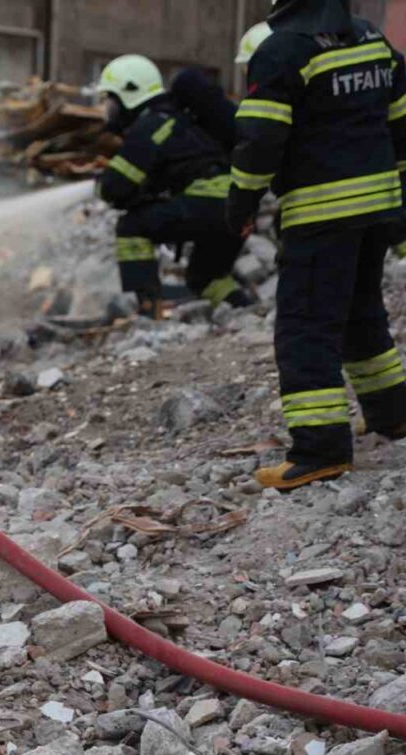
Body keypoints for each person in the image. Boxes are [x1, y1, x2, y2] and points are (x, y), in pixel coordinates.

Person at [227, 0, 406, 489]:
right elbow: (400, 122)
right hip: (377, 208)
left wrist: (241, 203)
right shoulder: (371, 40)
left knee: (306, 328)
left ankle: (320, 448)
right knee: (359, 313)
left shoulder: (283, 52)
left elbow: (260, 139)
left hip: (322, 214)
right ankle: (392, 412)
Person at [97, 54, 258, 318]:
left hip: (211, 203)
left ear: (129, 93)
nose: (107, 109)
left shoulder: (150, 125)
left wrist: (98, 185)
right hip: (240, 208)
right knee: (205, 277)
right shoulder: (178, 119)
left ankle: (148, 311)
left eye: (110, 99)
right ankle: (248, 313)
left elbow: (114, 188)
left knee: (131, 226)